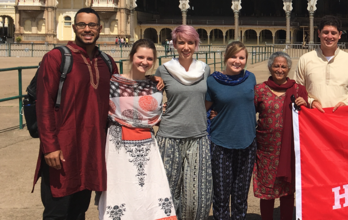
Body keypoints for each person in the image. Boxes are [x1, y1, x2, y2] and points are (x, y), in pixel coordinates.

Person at [32, 8, 118, 219]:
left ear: (99, 28)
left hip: (92, 150)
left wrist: (152, 82)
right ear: (74, 27)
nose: (87, 29)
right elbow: (44, 106)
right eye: (82, 25)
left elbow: (123, 93)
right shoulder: (56, 58)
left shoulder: (107, 62)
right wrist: (50, 147)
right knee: (57, 211)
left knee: (80, 209)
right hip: (62, 150)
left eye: (91, 25)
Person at [98, 39, 177, 220]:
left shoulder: (155, 86)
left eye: (149, 59)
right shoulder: (113, 83)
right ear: (132, 56)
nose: (144, 62)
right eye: (140, 57)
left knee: (148, 190)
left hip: (147, 144)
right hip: (118, 144)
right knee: (122, 189)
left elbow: (157, 116)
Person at [155, 25, 213, 220]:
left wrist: (197, 115)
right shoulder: (163, 70)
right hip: (169, 136)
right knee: (168, 190)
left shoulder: (204, 69)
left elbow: (208, 99)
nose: (186, 47)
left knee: (197, 195)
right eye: (181, 42)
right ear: (174, 44)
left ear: (196, 44)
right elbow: (149, 101)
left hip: (198, 136)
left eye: (190, 42)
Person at [205, 41, 257, 220]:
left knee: (241, 194)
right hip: (221, 143)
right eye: (233, 56)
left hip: (247, 142)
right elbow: (204, 108)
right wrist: (211, 116)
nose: (237, 61)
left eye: (241, 57)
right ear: (226, 58)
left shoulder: (250, 78)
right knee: (220, 194)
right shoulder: (213, 81)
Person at [254, 51, 309, 220]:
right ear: (270, 67)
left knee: (287, 191)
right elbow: (247, 114)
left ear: (288, 69)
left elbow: (308, 119)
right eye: (276, 66)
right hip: (266, 150)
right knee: (267, 191)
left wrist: (305, 105)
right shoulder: (260, 90)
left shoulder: (298, 90)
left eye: (283, 66)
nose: (279, 69)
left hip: (290, 149)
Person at [294, 15, 348, 112]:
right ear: (319, 33)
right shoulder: (305, 60)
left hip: (342, 117)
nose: (329, 36)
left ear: (340, 35)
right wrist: (311, 101)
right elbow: (297, 90)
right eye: (325, 32)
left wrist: (346, 102)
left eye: (333, 33)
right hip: (314, 118)